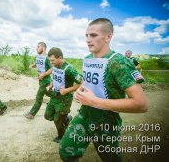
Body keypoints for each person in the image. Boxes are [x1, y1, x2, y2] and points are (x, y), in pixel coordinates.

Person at [59, 18, 148, 162]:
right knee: (66, 151)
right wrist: (80, 90)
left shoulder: (119, 62)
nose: (88, 40)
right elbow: (88, 83)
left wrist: (95, 101)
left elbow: (141, 104)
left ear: (108, 36)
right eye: (86, 35)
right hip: (85, 115)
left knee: (110, 158)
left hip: (106, 123)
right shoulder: (88, 58)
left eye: (93, 35)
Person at [45, 47, 82, 143]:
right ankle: (66, 118)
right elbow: (55, 77)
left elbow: (81, 83)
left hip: (65, 99)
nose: (51, 62)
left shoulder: (69, 69)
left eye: (52, 60)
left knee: (57, 120)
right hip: (55, 96)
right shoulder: (55, 66)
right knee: (48, 115)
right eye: (50, 60)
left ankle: (62, 136)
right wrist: (51, 85)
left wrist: (66, 90)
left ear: (60, 57)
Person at [24, 42, 52, 119]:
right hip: (41, 80)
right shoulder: (38, 57)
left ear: (43, 48)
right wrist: (32, 66)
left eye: (38, 47)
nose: (36, 48)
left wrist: (43, 74)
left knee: (39, 97)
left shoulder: (47, 58)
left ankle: (31, 114)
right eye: (37, 47)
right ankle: (59, 98)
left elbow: (52, 68)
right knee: (50, 94)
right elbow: (37, 64)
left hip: (45, 80)